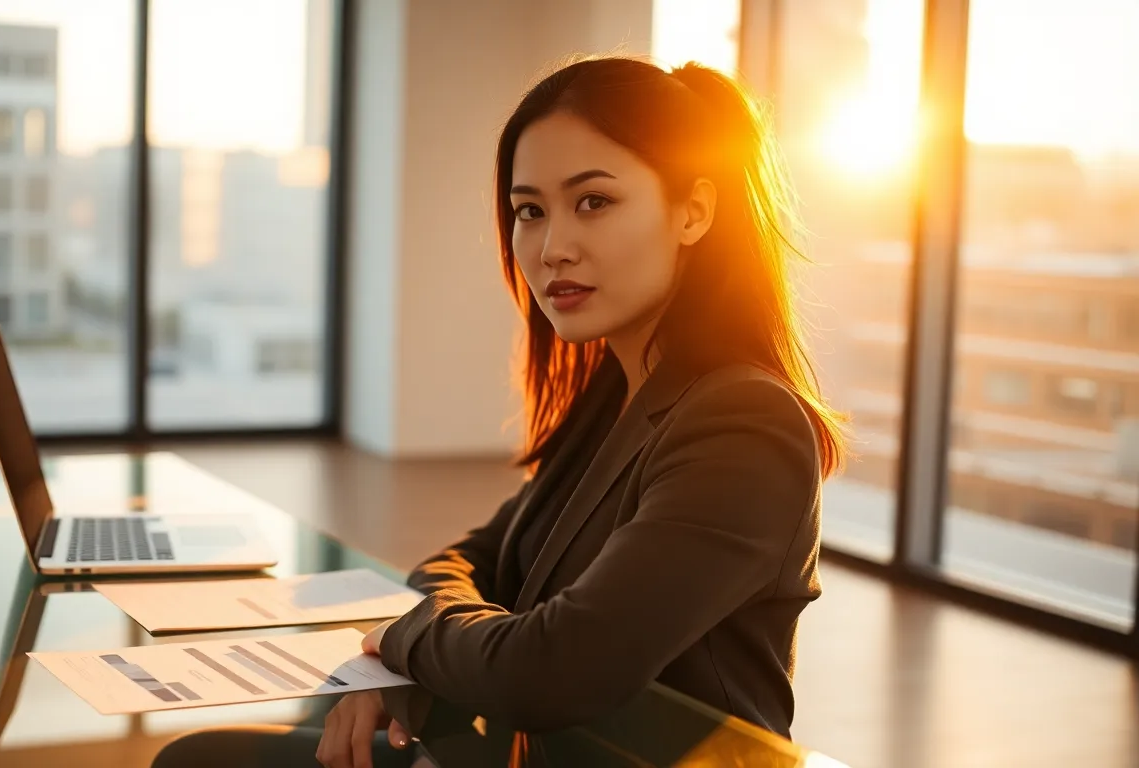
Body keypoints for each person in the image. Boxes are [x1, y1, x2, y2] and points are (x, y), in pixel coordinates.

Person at [156, 53, 845, 768]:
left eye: (594, 202)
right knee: (206, 755)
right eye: (529, 212)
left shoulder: (744, 424)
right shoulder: (617, 393)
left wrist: (402, 644)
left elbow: (558, 666)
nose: (552, 249)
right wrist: (407, 652)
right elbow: (469, 559)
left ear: (694, 212)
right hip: (520, 754)